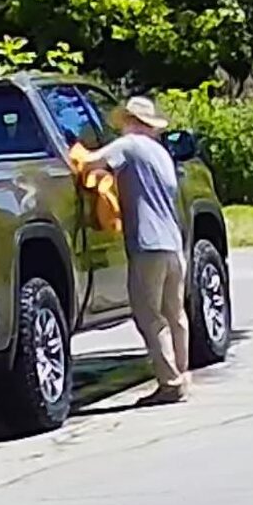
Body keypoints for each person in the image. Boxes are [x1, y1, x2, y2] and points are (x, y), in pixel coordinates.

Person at [71, 96, 191, 404]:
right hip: (173, 245)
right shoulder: (162, 154)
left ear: (131, 122)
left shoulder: (129, 146)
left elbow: (89, 163)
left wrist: (75, 148)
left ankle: (170, 382)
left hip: (147, 246)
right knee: (175, 314)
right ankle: (183, 371)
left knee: (149, 316)